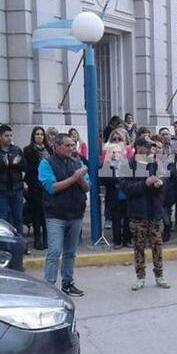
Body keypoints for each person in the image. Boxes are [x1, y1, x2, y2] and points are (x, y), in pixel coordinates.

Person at [39, 133, 90, 297]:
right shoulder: (46, 163)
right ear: (57, 146)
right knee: (54, 252)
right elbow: (51, 187)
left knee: (70, 252)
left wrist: (80, 178)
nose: (71, 148)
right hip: (56, 214)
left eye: (73, 145)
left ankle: (68, 283)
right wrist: (74, 177)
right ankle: (49, 287)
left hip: (75, 213)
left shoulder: (77, 162)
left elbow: (87, 187)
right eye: (67, 145)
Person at [125, 137, 170, 291]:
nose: (151, 149)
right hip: (138, 213)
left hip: (155, 211)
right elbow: (126, 188)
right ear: (138, 147)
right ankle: (140, 276)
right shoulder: (128, 164)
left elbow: (166, 186)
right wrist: (145, 184)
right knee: (139, 246)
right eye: (147, 146)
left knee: (157, 245)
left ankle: (159, 274)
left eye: (152, 146)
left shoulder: (156, 164)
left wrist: (160, 184)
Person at [0, 125, 27, 242]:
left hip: (16, 188)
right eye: (6, 136)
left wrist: (16, 164)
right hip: (0, 189)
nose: (9, 138)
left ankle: (19, 242)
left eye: (10, 135)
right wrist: (2, 165)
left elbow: (25, 166)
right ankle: (4, 242)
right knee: (3, 217)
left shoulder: (16, 149)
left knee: (18, 217)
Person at [23, 126, 51, 251]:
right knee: (36, 213)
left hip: (47, 184)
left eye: (41, 134)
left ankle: (46, 238)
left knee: (46, 213)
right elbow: (27, 168)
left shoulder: (49, 149)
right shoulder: (28, 150)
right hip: (34, 184)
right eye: (37, 134)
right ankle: (37, 238)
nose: (39, 136)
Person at [102, 134, 132, 249]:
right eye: (113, 152)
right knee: (116, 219)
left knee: (127, 217)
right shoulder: (107, 165)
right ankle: (117, 241)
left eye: (118, 152)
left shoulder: (127, 164)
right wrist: (116, 181)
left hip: (126, 194)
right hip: (114, 194)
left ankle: (127, 240)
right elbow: (105, 179)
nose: (115, 154)